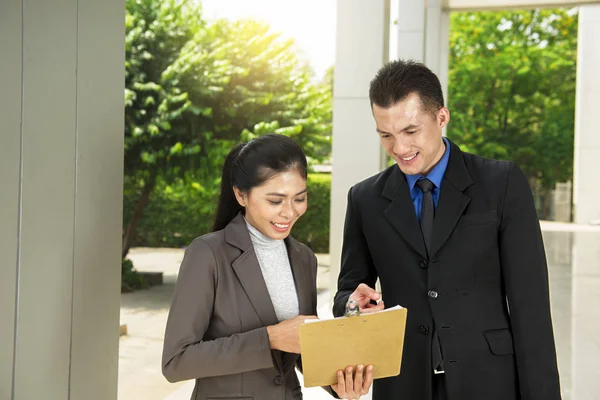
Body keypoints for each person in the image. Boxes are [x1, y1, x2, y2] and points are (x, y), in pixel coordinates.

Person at [332, 60, 562, 400]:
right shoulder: (365, 199)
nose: (399, 148)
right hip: (402, 385)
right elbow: (347, 293)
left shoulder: (502, 183)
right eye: (386, 135)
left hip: (490, 383)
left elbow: (532, 310)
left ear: (442, 117)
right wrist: (352, 306)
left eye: (411, 132)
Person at [162, 133, 372, 400]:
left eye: (299, 198)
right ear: (240, 195)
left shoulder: (304, 258)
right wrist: (269, 338)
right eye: (275, 201)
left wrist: (339, 383)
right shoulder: (208, 254)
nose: (289, 212)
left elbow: (298, 349)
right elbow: (176, 361)